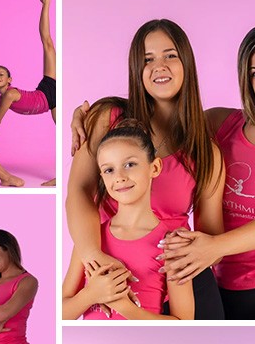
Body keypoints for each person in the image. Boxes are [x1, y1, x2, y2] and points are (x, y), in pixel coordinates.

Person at [66, 19, 225, 319]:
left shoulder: (205, 151)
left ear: (187, 63)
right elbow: (78, 192)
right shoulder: (107, 117)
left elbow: (211, 236)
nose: (159, 66)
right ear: (136, 70)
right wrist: (93, 257)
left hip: (180, 273)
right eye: (147, 59)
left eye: (170, 55)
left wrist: (178, 249)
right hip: (114, 268)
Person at [158, 23, 255, 319]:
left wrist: (214, 247)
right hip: (215, 287)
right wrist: (101, 115)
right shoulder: (220, 123)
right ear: (246, 79)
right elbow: (156, 132)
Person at [62, 121, 194, 319]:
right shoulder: (91, 238)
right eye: (109, 170)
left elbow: (183, 322)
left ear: (155, 167)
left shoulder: (172, 245)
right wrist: (90, 295)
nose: (120, 177)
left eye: (130, 164)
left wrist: (124, 306)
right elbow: (61, 314)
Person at [0, 0, 56, 187]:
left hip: (48, 91)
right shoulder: (5, 96)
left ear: (10, 79)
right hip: (49, 103)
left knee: (47, 43)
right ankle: (60, 176)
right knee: (64, 136)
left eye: (1, 74)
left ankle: (45, 2)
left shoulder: (9, 95)